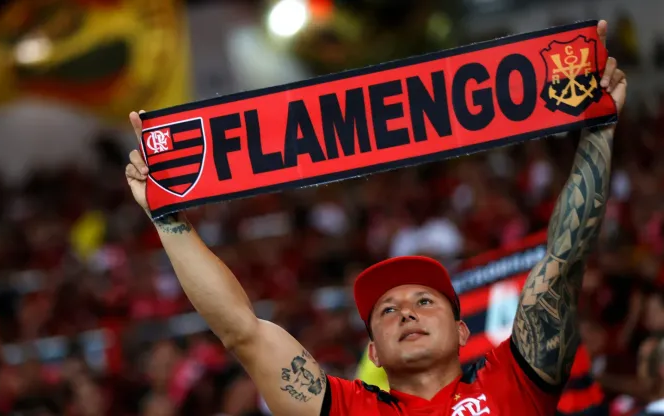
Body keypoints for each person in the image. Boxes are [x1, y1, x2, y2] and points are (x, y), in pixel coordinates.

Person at [123, 20, 627, 416]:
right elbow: (241, 332)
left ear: (462, 331)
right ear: (374, 355)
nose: (405, 312)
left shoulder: (511, 381)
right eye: (387, 311)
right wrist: (169, 220)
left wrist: (599, 130)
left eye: (423, 301)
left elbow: (563, 258)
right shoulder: (346, 408)